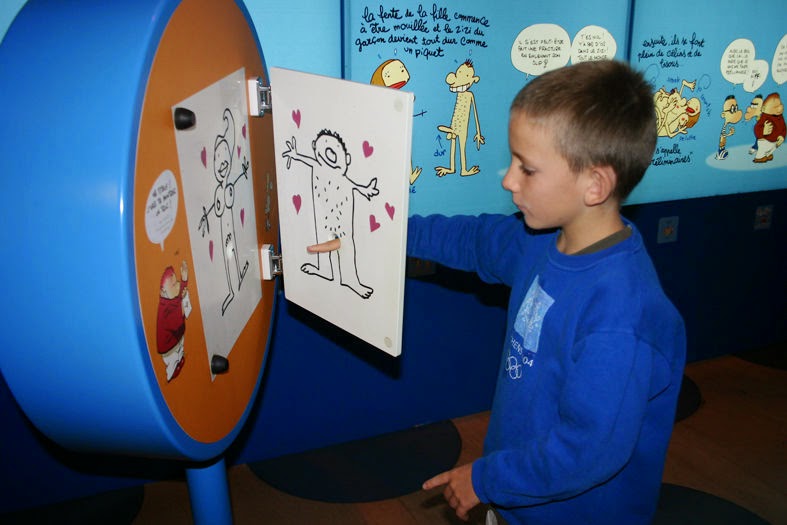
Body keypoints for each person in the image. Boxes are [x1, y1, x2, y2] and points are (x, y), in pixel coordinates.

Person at [412, 60, 686, 524]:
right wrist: (386, 230)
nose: (508, 180)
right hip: (516, 495)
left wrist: (486, 479)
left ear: (595, 184)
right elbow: (471, 240)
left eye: (528, 169)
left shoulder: (622, 319)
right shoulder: (537, 241)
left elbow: (586, 452)